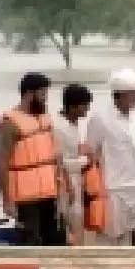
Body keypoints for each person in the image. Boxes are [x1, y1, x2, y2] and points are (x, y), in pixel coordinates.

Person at [85, 69, 135, 245]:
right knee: (112, 238)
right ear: (121, 95)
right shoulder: (100, 120)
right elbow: (90, 153)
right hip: (115, 188)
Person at [0, 72, 65, 246]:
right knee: (31, 241)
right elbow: (2, 163)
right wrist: (7, 201)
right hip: (25, 198)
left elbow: (55, 155)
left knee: (57, 240)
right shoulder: (10, 122)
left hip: (50, 193)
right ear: (29, 94)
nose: (45, 98)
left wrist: (63, 185)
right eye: (42, 94)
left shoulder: (45, 117)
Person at [54, 84, 93, 245]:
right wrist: (87, 161)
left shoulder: (74, 124)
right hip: (65, 183)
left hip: (78, 181)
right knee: (72, 224)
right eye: (85, 106)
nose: (87, 110)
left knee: (79, 224)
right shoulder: (58, 127)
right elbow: (59, 162)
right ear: (73, 106)